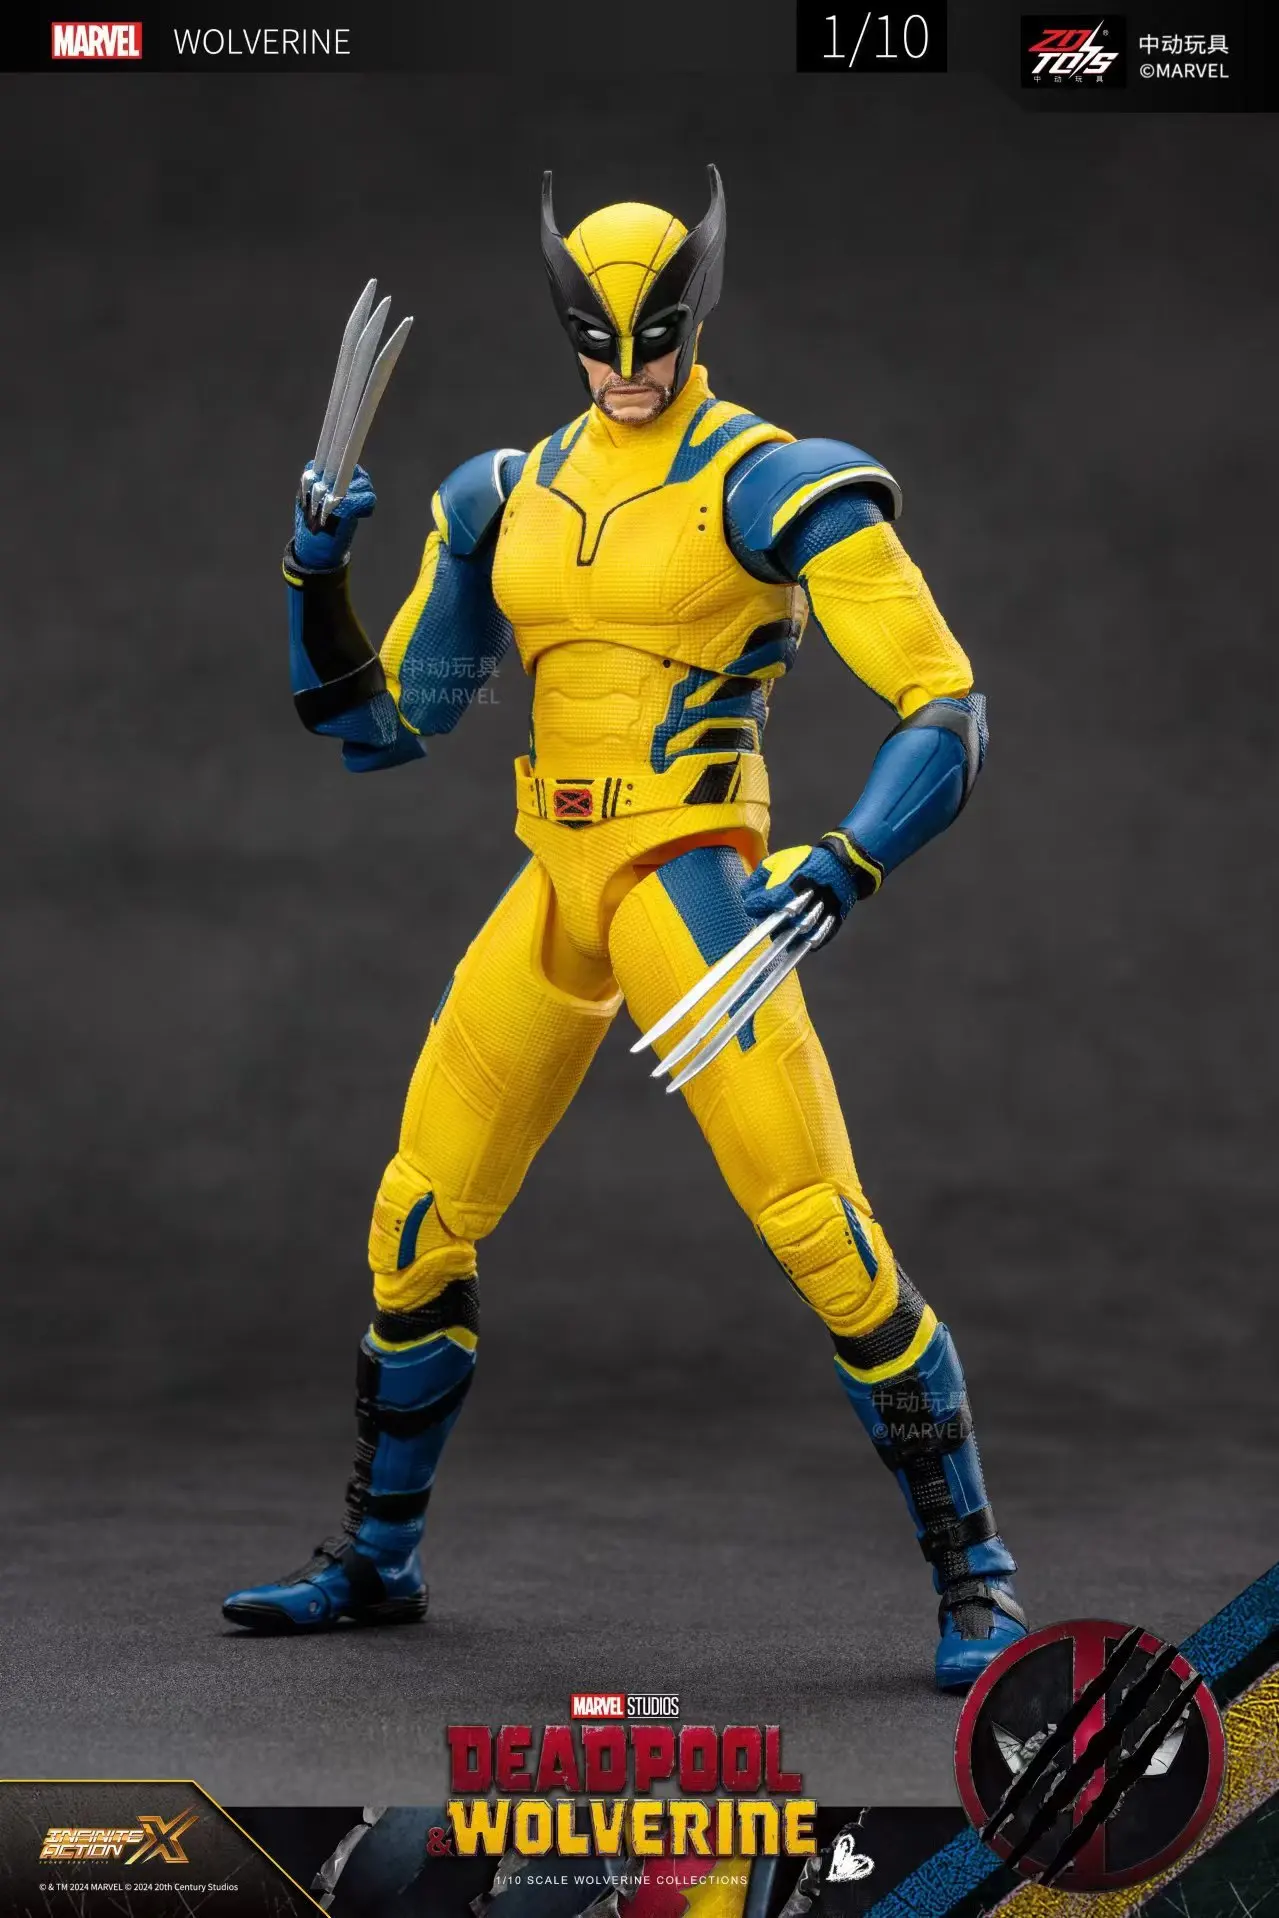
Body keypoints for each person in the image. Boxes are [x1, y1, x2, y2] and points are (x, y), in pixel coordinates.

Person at [223, 167, 1026, 1690]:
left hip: (692, 888)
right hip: (554, 882)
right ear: (567, 329)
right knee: (416, 1218)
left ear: (696, 315)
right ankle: (378, 1558)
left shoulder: (768, 482)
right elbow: (384, 725)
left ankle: (975, 1576)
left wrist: (848, 860)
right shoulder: (504, 496)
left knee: (822, 1233)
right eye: (602, 340)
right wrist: (313, 575)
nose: (631, 366)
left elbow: (946, 703)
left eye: (655, 335)